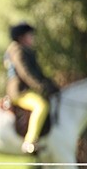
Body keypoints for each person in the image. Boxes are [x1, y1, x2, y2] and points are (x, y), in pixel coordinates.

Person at [4, 22, 58, 154]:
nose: (33, 38)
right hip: (19, 92)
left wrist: (50, 84)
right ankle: (29, 141)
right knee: (41, 105)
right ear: (22, 38)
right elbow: (26, 73)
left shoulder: (24, 50)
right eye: (30, 35)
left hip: (25, 90)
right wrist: (41, 87)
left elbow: (37, 73)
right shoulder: (18, 51)